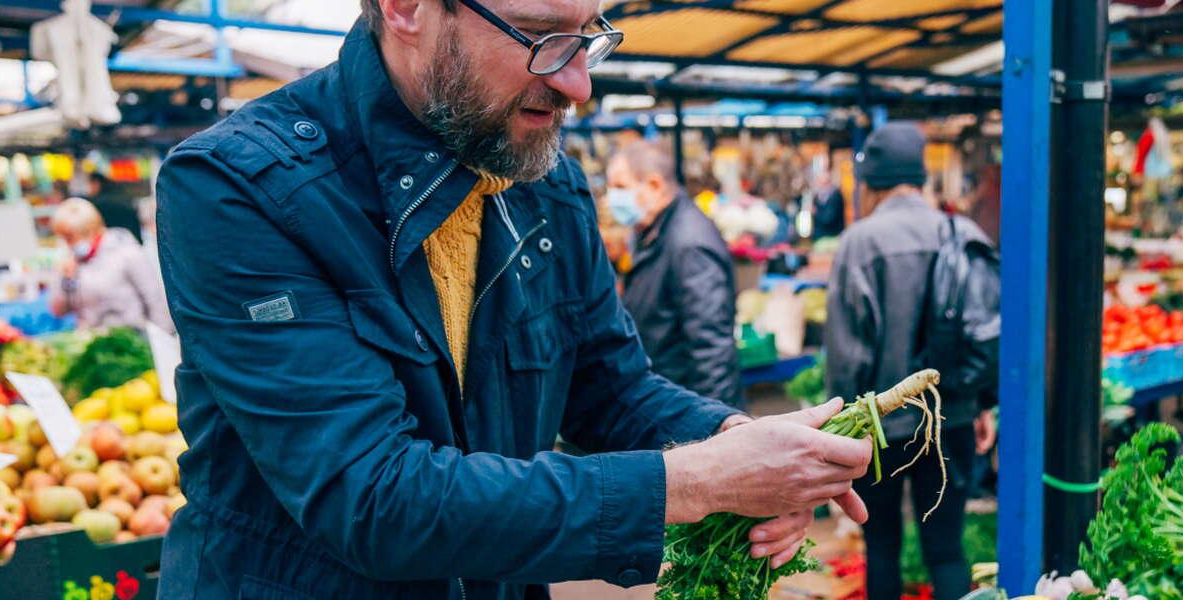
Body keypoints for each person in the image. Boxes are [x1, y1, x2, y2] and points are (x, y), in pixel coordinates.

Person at [151, 2, 874, 597]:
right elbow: (370, 498)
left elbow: (608, 388)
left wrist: (731, 442)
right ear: (406, 9)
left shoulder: (543, 183)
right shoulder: (239, 187)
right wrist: (691, 483)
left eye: (589, 38)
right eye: (542, 38)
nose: (578, 85)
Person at [826, 123, 996, 600]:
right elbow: (983, 331)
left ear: (872, 182)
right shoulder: (962, 231)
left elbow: (847, 356)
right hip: (952, 419)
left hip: (882, 429)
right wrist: (982, 404)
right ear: (920, 176)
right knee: (946, 549)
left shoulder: (861, 242)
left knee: (881, 545)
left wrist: (838, 432)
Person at [605, 141, 742, 407]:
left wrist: (714, 426)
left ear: (654, 186)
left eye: (621, 187)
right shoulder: (652, 230)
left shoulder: (690, 244)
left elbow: (712, 348)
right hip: (664, 396)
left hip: (686, 404)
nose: (611, 197)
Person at [48, 198, 174, 334]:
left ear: (89, 230)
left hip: (132, 338)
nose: (68, 244)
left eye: (70, 237)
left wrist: (163, 338)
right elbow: (58, 310)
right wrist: (66, 282)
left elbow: (154, 300)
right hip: (93, 340)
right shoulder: (70, 262)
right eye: (63, 238)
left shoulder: (126, 252)